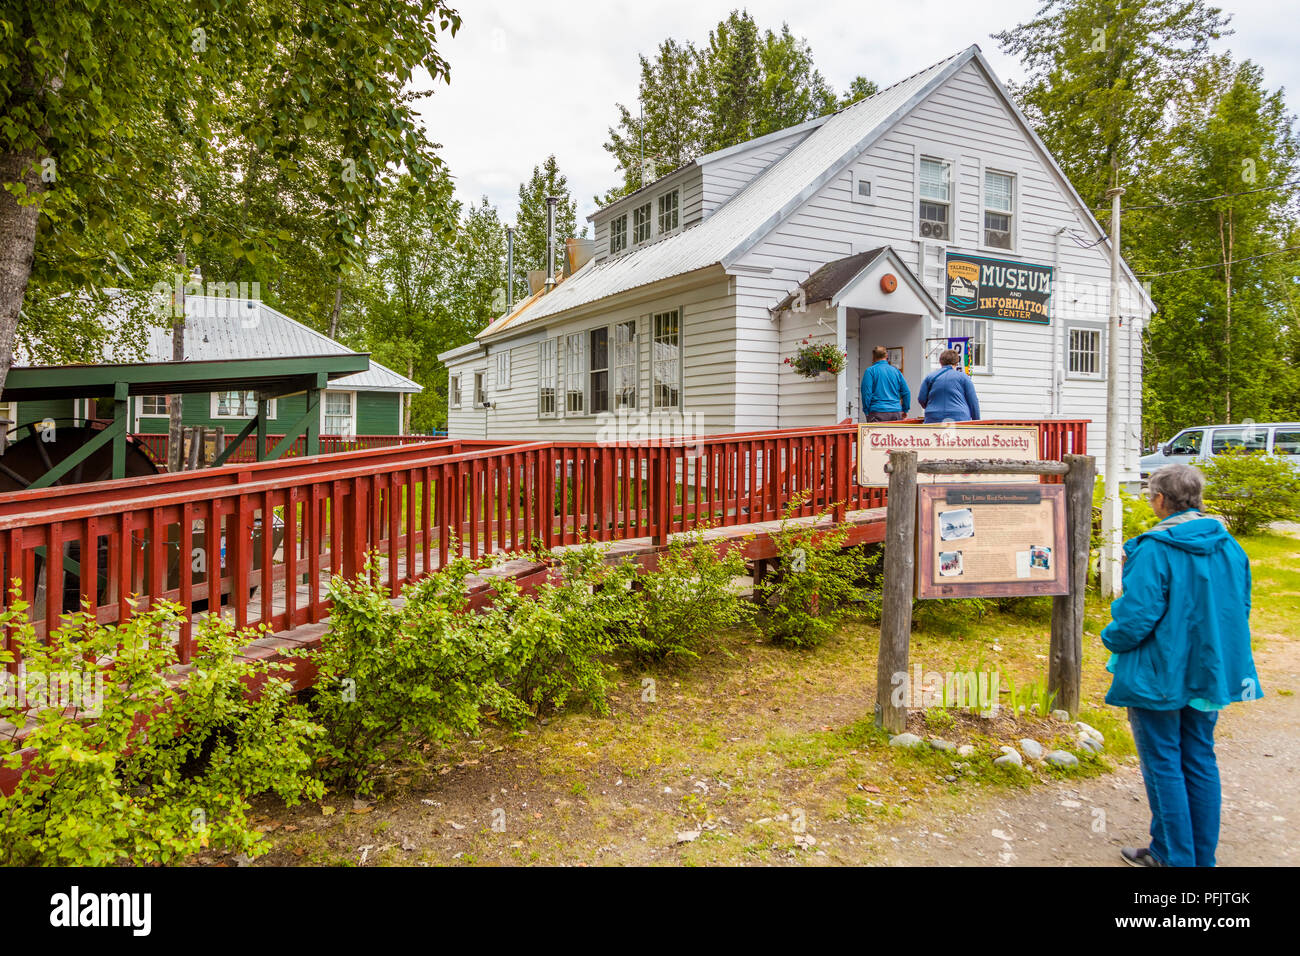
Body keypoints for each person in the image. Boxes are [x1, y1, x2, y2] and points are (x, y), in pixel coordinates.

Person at [1101, 464, 1261, 868]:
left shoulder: (1154, 548)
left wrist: (1110, 638)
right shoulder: (1228, 545)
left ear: (1160, 499)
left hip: (1159, 672)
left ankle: (1173, 856)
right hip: (1208, 669)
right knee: (1199, 757)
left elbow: (1137, 618)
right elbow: (1240, 606)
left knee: (1163, 761)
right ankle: (1196, 856)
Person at [917, 348, 980, 423]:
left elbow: (921, 398)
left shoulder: (930, 377)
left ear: (941, 362)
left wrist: (931, 407)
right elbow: (973, 402)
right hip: (959, 418)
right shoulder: (963, 377)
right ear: (957, 363)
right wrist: (977, 421)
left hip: (933, 417)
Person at [859, 346, 911, 422]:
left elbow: (866, 393)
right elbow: (906, 392)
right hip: (895, 412)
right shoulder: (896, 371)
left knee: (877, 434)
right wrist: (905, 410)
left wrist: (866, 411)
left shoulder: (870, 371)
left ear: (873, 356)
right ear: (886, 356)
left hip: (877, 412)